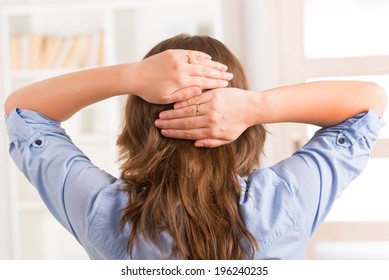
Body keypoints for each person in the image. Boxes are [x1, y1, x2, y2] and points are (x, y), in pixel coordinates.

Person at [4, 34, 386, 260]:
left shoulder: (104, 212)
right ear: (242, 125)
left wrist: (131, 76)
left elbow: (24, 111)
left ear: (138, 122)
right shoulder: (284, 202)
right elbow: (369, 103)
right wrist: (256, 106)